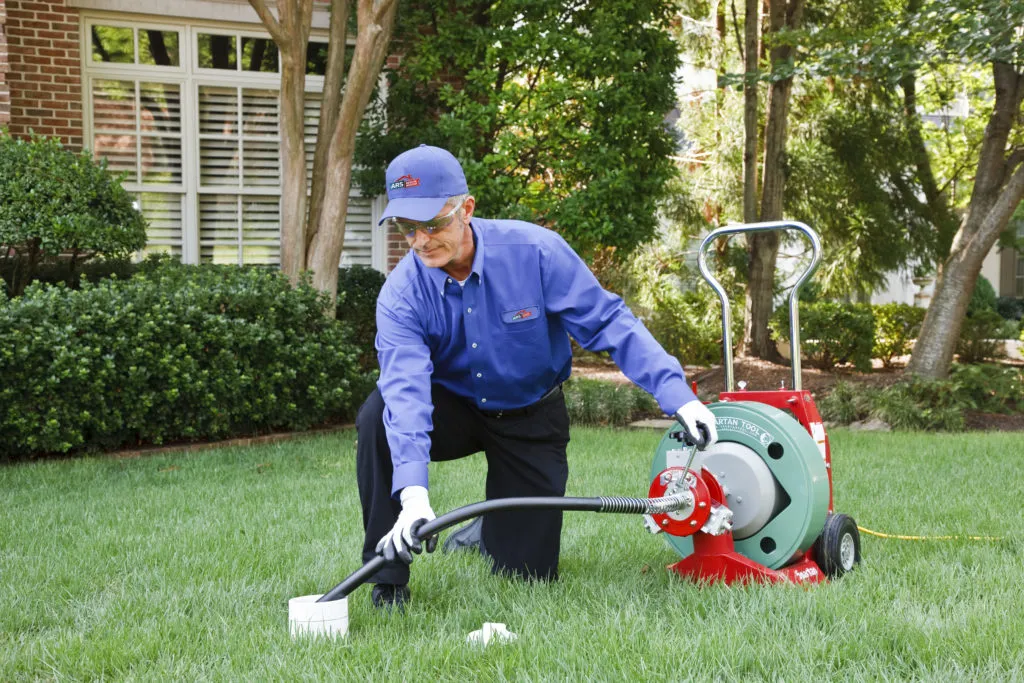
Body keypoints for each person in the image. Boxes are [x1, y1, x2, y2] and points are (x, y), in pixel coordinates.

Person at [356, 144, 718, 609]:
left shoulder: (536, 252)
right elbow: (405, 392)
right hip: (453, 409)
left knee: (527, 577)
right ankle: (387, 578)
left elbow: (610, 323)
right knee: (378, 414)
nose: (421, 240)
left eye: (433, 224)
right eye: (408, 228)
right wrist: (413, 495)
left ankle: (486, 529)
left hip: (530, 411)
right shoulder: (401, 294)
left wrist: (680, 398)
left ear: (466, 209)